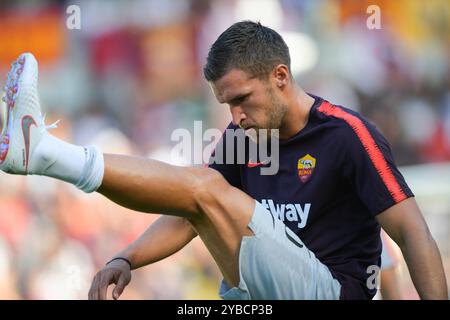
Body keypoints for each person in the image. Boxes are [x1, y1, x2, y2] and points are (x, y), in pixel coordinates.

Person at [0, 21, 447, 300]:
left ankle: (44, 153)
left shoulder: (347, 135)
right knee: (206, 192)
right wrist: (126, 259)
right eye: (226, 103)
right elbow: (190, 210)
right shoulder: (243, 135)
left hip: (326, 291)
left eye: (243, 99)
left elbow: (411, 233)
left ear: (281, 77)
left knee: (207, 186)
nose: (235, 116)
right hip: (253, 293)